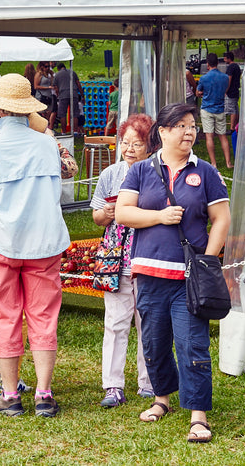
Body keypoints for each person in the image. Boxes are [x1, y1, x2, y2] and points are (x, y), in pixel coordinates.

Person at [115, 102, 230, 444]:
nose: (189, 131)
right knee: (154, 341)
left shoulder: (206, 172)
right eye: (180, 125)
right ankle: (162, 399)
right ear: (162, 132)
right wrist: (159, 217)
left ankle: (198, 416)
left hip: (187, 279)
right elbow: (122, 213)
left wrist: (206, 261)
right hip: (148, 273)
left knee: (192, 343)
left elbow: (221, 219)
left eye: (192, 125)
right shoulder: (141, 171)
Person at [0, 74, 69, 418]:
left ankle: (10, 393)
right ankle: (44, 394)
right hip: (45, 241)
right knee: (44, 318)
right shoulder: (46, 143)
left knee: (5, 318)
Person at [91, 113, 155, 408]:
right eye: (125, 142)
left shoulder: (157, 173)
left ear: (150, 145)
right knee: (115, 323)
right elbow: (96, 215)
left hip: (148, 257)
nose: (129, 148)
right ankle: (112, 386)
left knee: (149, 323)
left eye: (137, 143)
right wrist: (104, 214)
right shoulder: (110, 175)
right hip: (114, 260)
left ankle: (149, 382)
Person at [195, 53, 233, 169]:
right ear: (217, 63)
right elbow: (225, 89)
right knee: (223, 136)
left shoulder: (204, 78)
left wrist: (201, 93)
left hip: (207, 109)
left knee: (209, 136)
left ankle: (214, 163)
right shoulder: (225, 78)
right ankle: (228, 163)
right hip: (220, 109)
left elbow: (198, 92)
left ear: (208, 64)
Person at [54, 63, 82, 134]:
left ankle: (64, 132)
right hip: (74, 94)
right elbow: (78, 84)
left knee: (62, 114)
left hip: (63, 95)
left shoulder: (57, 75)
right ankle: (75, 131)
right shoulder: (72, 72)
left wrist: (58, 95)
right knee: (75, 113)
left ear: (58, 68)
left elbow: (56, 88)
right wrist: (82, 94)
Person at [33, 62, 56, 128]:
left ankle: (47, 127)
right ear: (41, 67)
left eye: (48, 66)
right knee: (41, 113)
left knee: (49, 112)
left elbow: (52, 83)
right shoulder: (39, 74)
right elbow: (36, 86)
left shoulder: (48, 74)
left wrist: (51, 76)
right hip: (41, 96)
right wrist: (47, 87)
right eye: (46, 66)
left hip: (49, 95)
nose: (47, 68)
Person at [223, 51, 242, 132]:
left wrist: (226, 90)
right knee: (235, 108)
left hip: (231, 91)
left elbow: (229, 79)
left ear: (228, 58)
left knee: (232, 110)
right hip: (236, 90)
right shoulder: (237, 66)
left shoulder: (231, 67)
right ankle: (237, 126)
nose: (224, 60)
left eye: (225, 58)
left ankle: (232, 128)